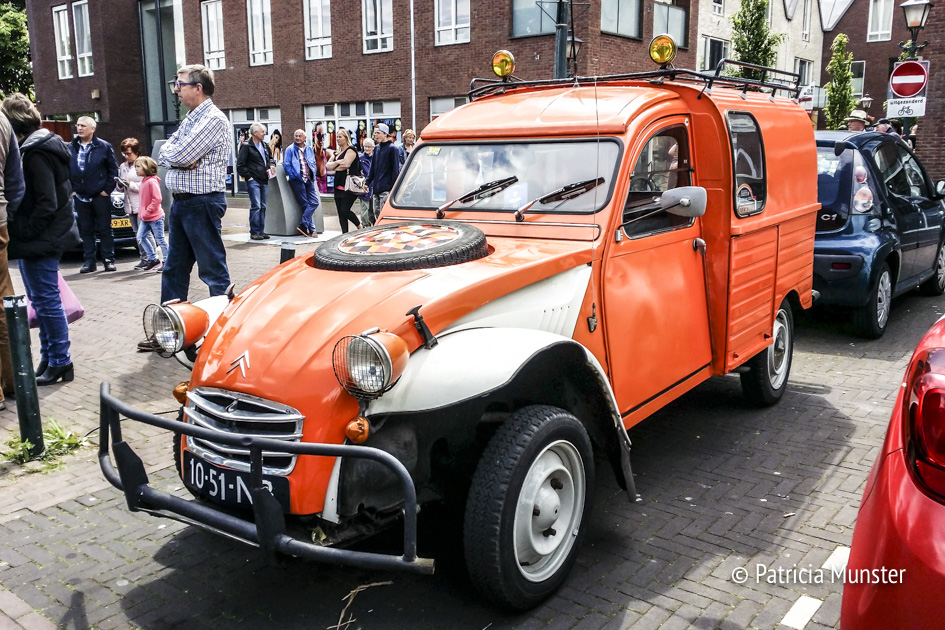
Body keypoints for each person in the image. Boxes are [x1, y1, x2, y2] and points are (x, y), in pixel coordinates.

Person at [1, 93, 77, 386]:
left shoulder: (35, 153)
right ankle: (51, 358)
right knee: (42, 300)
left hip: (42, 238)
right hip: (45, 236)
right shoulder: (42, 147)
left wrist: (21, 230)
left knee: (46, 302)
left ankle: (60, 361)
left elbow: (46, 202)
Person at [156, 63, 231, 307]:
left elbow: (181, 155)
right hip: (183, 202)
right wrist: (178, 157)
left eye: (180, 84)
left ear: (198, 88)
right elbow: (166, 151)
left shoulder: (213, 120)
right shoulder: (191, 119)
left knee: (211, 268)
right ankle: (170, 329)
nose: (176, 89)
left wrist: (178, 157)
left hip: (202, 202)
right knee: (174, 268)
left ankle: (223, 326)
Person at [70, 116, 119, 273]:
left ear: (92, 129)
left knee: (105, 229)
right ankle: (89, 261)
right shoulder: (71, 147)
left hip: (99, 195)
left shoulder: (103, 147)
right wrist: (72, 189)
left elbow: (113, 169)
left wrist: (107, 190)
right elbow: (65, 169)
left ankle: (108, 260)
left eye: (83, 125)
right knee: (86, 230)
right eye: (77, 125)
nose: (79, 128)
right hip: (80, 196)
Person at [0, 107, 24, 405]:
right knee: (4, 295)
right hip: (0, 217)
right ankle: (14, 379)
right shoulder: (3, 118)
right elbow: (16, 180)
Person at [116, 138, 156, 270]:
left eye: (129, 153)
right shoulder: (122, 166)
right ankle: (144, 258)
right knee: (136, 232)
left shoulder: (143, 164)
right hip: (129, 204)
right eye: (124, 154)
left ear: (136, 152)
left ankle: (153, 258)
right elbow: (120, 189)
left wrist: (130, 184)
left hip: (142, 204)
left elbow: (147, 186)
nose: (127, 156)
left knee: (144, 233)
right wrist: (120, 185)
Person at [237, 122, 275, 240]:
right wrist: (249, 177)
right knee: (256, 206)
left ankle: (261, 231)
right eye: (262, 131)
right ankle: (254, 232)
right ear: (255, 133)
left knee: (263, 206)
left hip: (264, 179)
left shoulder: (264, 145)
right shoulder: (247, 146)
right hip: (253, 180)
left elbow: (270, 158)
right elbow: (240, 164)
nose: (264, 134)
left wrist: (272, 165)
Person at [284, 128, 320, 237]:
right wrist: (294, 176)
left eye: (300, 136)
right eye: (296, 136)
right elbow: (287, 165)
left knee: (314, 202)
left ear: (305, 138)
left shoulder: (309, 148)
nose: (298, 138)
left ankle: (304, 225)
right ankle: (312, 229)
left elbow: (312, 161)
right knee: (305, 204)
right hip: (297, 180)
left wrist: (313, 172)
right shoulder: (290, 149)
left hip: (309, 178)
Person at [326, 129, 363, 233]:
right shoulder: (337, 152)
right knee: (340, 213)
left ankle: (359, 225)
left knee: (344, 210)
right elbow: (328, 165)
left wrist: (334, 166)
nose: (338, 139)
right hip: (338, 184)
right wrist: (337, 162)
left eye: (340, 137)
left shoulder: (351, 150)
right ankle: (344, 234)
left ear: (346, 138)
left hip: (349, 185)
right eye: (337, 137)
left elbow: (346, 165)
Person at [134, 156, 167, 271]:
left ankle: (167, 261)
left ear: (146, 167)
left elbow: (157, 199)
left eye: (138, 167)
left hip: (155, 217)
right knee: (140, 237)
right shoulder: (143, 181)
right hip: (145, 217)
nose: (136, 169)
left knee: (160, 239)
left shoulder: (152, 182)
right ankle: (153, 259)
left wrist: (148, 211)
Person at [366, 122, 400, 225]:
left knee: (384, 215)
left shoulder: (393, 149)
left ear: (385, 134)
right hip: (376, 189)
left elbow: (395, 170)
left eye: (378, 133)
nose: (375, 135)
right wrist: (367, 182)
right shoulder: (376, 148)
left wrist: (393, 189)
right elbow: (372, 168)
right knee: (376, 214)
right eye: (375, 133)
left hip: (386, 189)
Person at [358, 138, 375, 228]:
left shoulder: (376, 157)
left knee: (374, 208)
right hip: (364, 186)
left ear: (373, 147)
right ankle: (365, 226)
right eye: (365, 146)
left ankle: (374, 225)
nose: (367, 148)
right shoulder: (360, 158)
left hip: (374, 186)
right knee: (365, 208)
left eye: (369, 146)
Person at [313, 123, 329, 194]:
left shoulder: (327, 154)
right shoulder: (308, 154)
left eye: (324, 135)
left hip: (326, 199)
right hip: (313, 196)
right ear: (314, 135)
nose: (322, 139)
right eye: (319, 135)